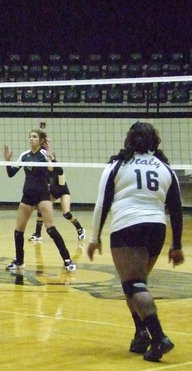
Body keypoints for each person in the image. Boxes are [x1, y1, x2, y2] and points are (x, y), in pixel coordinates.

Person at [87, 122, 183, 362]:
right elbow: (176, 208)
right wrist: (177, 244)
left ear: (129, 140)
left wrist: (94, 237)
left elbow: (102, 203)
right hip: (156, 229)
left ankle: (158, 337)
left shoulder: (118, 165)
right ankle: (141, 335)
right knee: (136, 284)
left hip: (128, 226)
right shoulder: (165, 168)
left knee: (134, 286)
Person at [3, 129, 76, 272]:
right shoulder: (25, 156)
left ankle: (67, 260)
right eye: (30, 136)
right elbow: (11, 174)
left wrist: (52, 158)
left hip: (43, 195)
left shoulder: (45, 155)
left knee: (51, 229)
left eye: (34, 137)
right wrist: (7, 161)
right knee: (19, 230)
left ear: (41, 140)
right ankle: (19, 261)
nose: (31, 139)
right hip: (27, 195)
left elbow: (59, 172)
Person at [29, 139, 85, 245]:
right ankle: (37, 234)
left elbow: (61, 186)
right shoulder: (43, 171)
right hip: (53, 192)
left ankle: (80, 229)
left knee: (66, 213)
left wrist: (49, 192)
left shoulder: (58, 170)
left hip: (62, 191)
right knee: (41, 209)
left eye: (49, 160)